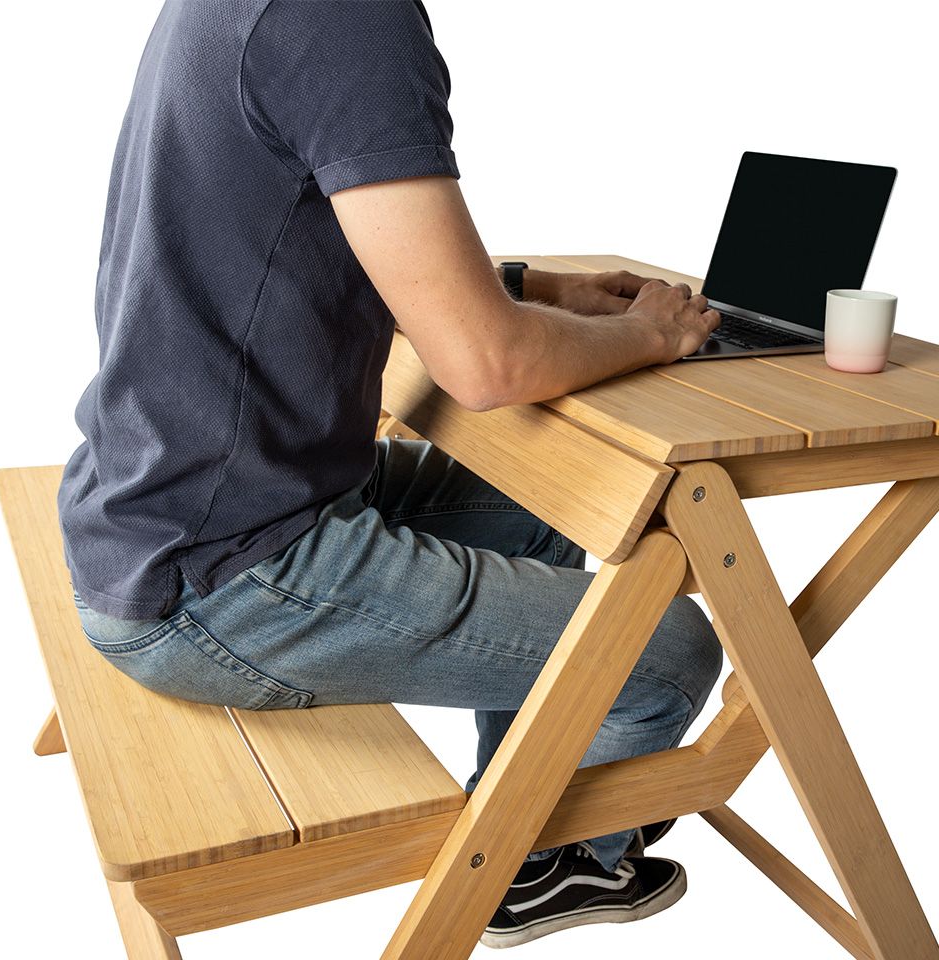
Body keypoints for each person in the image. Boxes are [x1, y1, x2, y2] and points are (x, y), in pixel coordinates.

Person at [59, 1, 723, 948]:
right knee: (666, 653)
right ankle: (529, 866)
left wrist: (531, 289)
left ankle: (516, 814)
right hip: (215, 578)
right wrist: (646, 335)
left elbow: (308, 225)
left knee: (554, 500)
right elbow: (487, 367)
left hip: (157, 503)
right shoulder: (348, 17)